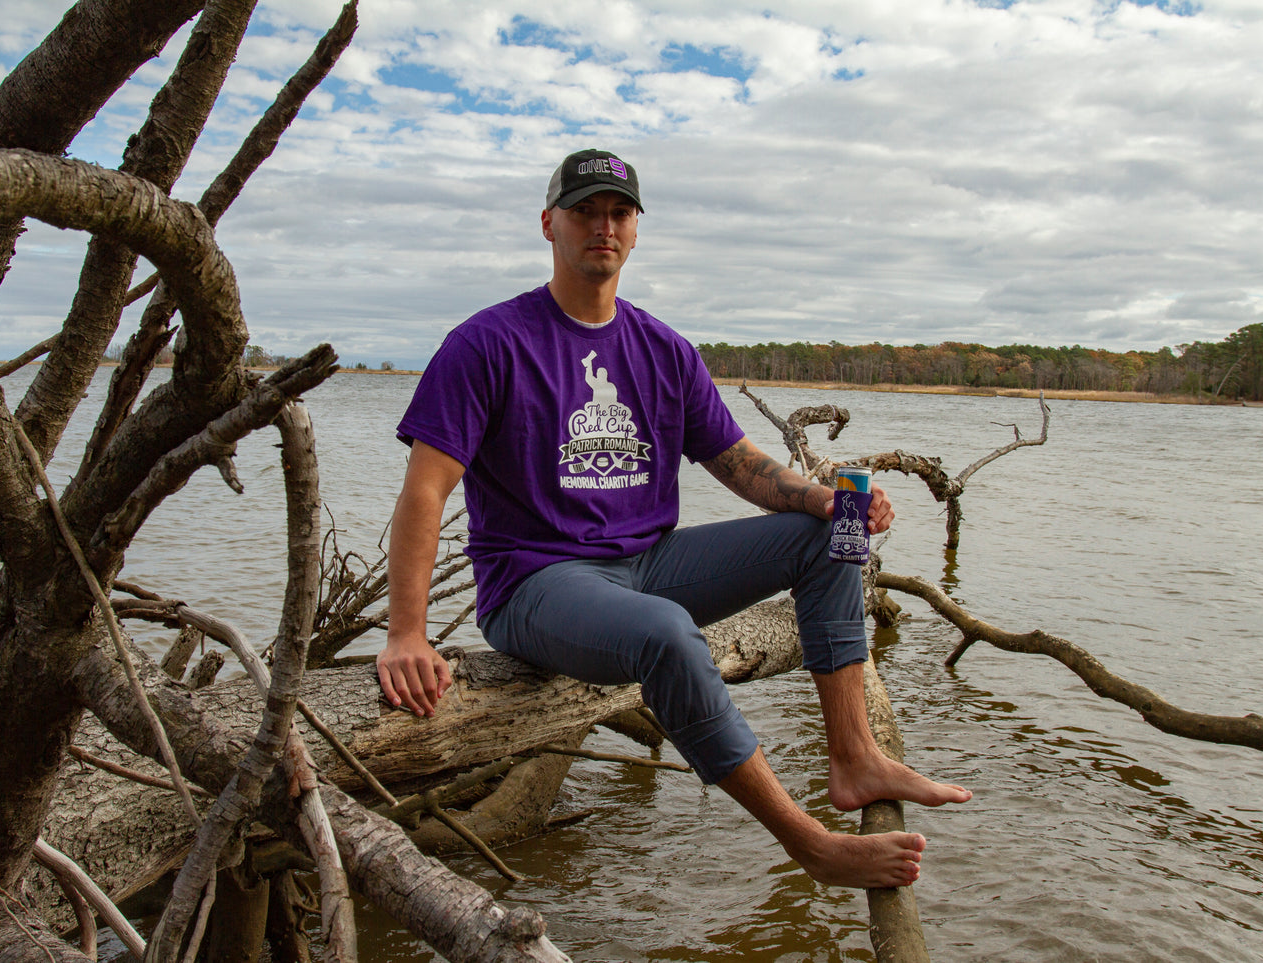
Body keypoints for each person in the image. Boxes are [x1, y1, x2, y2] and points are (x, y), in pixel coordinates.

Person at [377, 148, 970, 890]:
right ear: (548, 224)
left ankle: (853, 755)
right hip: (535, 583)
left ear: (634, 230)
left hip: (645, 564)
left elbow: (741, 464)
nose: (603, 225)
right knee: (664, 631)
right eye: (585, 210)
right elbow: (424, 492)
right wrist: (405, 633)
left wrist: (820, 498)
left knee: (831, 535)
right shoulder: (488, 343)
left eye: (618, 212)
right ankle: (805, 840)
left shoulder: (662, 349)